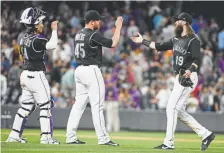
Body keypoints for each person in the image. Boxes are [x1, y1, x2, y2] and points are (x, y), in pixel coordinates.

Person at [131, 12, 215, 151]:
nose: (175, 23)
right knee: (179, 111)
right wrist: (143, 41)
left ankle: (168, 142)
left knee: (171, 108)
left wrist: (190, 70)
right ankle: (206, 134)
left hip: (187, 76)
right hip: (179, 77)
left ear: (184, 22)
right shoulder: (176, 39)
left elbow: (196, 59)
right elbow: (159, 46)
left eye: (178, 21)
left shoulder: (193, 40)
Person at [66, 10, 123, 146]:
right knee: (97, 106)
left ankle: (70, 136)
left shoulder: (78, 34)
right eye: (98, 20)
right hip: (91, 70)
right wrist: (118, 27)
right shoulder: (93, 34)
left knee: (78, 105)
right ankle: (103, 138)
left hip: (79, 70)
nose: (100, 22)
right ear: (92, 22)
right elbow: (113, 43)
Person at [6, 7, 60, 144]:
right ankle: (46, 137)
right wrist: (54, 30)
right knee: (45, 106)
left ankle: (14, 135)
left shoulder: (23, 38)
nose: (42, 25)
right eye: (40, 22)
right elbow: (53, 45)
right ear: (35, 24)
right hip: (36, 75)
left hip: (25, 74)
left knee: (25, 107)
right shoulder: (37, 39)